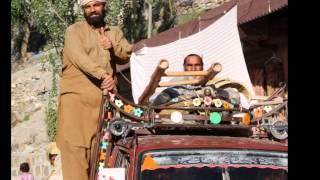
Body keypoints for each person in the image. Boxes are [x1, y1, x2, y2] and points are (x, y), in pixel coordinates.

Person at [56, 0, 132, 179]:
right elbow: (79, 58)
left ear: (104, 6)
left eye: (96, 5)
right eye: (87, 7)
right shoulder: (74, 31)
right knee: (75, 154)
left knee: (104, 155)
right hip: (77, 104)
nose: (92, 10)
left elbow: (127, 53)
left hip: (105, 105)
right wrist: (103, 75)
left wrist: (112, 48)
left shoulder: (114, 32)